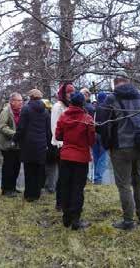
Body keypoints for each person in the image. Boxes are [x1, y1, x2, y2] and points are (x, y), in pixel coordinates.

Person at [96, 71, 140, 230]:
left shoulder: (111, 99)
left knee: (124, 184)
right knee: (138, 180)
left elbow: (102, 124)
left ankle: (128, 221)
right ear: (128, 81)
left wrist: (108, 143)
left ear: (115, 83)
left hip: (120, 147)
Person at [56, 91, 95, 230]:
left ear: (71, 102)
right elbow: (91, 141)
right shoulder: (87, 119)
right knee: (78, 188)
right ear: (82, 103)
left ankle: (66, 217)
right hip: (81, 158)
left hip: (66, 156)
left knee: (66, 186)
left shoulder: (63, 117)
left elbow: (58, 135)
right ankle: (75, 219)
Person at [14, 89, 52, 202]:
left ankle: (29, 195)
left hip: (28, 144)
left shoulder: (26, 109)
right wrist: (49, 143)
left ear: (30, 97)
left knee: (29, 170)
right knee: (39, 170)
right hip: (41, 144)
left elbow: (21, 127)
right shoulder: (45, 111)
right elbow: (48, 129)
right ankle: (37, 194)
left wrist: (15, 139)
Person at [49, 83, 75, 208]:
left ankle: (68, 199)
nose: (71, 95)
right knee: (62, 175)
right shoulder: (58, 106)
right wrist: (60, 143)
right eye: (68, 92)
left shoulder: (70, 106)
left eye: (72, 92)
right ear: (64, 94)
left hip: (70, 145)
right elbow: (54, 126)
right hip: (60, 146)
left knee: (69, 175)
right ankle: (60, 202)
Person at [0, 92, 23, 197]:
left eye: (22, 101)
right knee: (8, 167)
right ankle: (6, 189)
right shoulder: (6, 111)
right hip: (7, 145)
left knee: (16, 166)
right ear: (12, 101)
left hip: (18, 145)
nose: (21, 103)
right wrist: (15, 134)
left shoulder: (21, 111)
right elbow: (2, 127)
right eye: (19, 100)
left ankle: (12, 187)